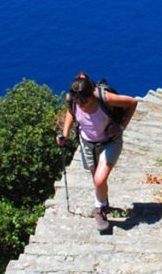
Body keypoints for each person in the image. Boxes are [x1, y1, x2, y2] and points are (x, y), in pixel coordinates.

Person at [56, 72, 138, 231]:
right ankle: (104, 204)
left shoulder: (105, 98)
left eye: (84, 102)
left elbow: (132, 102)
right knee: (96, 180)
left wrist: (121, 127)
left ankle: (99, 210)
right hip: (87, 143)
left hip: (110, 142)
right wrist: (65, 133)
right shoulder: (73, 101)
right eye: (77, 102)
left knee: (100, 180)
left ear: (92, 94)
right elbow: (70, 113)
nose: (81, 105)